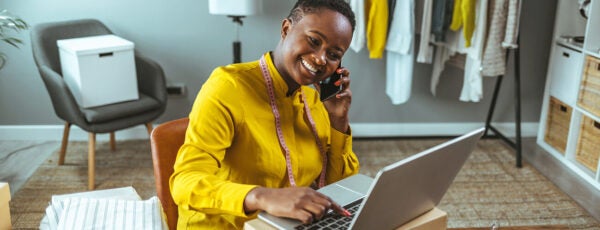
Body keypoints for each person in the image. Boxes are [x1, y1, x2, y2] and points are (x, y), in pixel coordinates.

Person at [170, 0, 359, 228]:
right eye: (313, 41)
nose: (320, 59)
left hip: (287, 224)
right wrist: (261, 196)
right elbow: (184, 182)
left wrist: (338, 121)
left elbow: (341, 192)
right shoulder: (228, 87)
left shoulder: (315, 102)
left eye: (333, 54)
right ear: (286, 29)